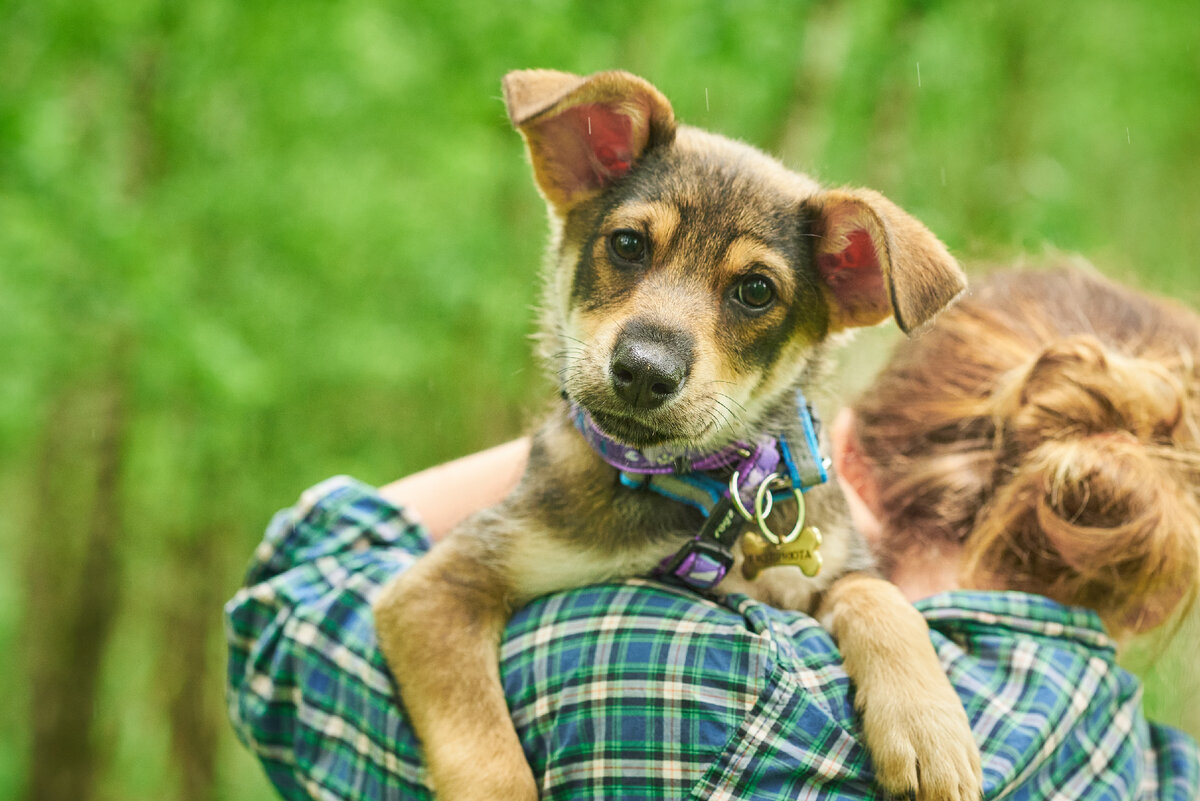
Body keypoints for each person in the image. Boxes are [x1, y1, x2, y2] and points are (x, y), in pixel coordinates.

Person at [226, 265, 1200, 800]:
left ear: (844, 452)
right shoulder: (1164, 772)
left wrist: (621, 432)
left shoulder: (700, 687)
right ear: (1159, 586)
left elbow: (286, 621)